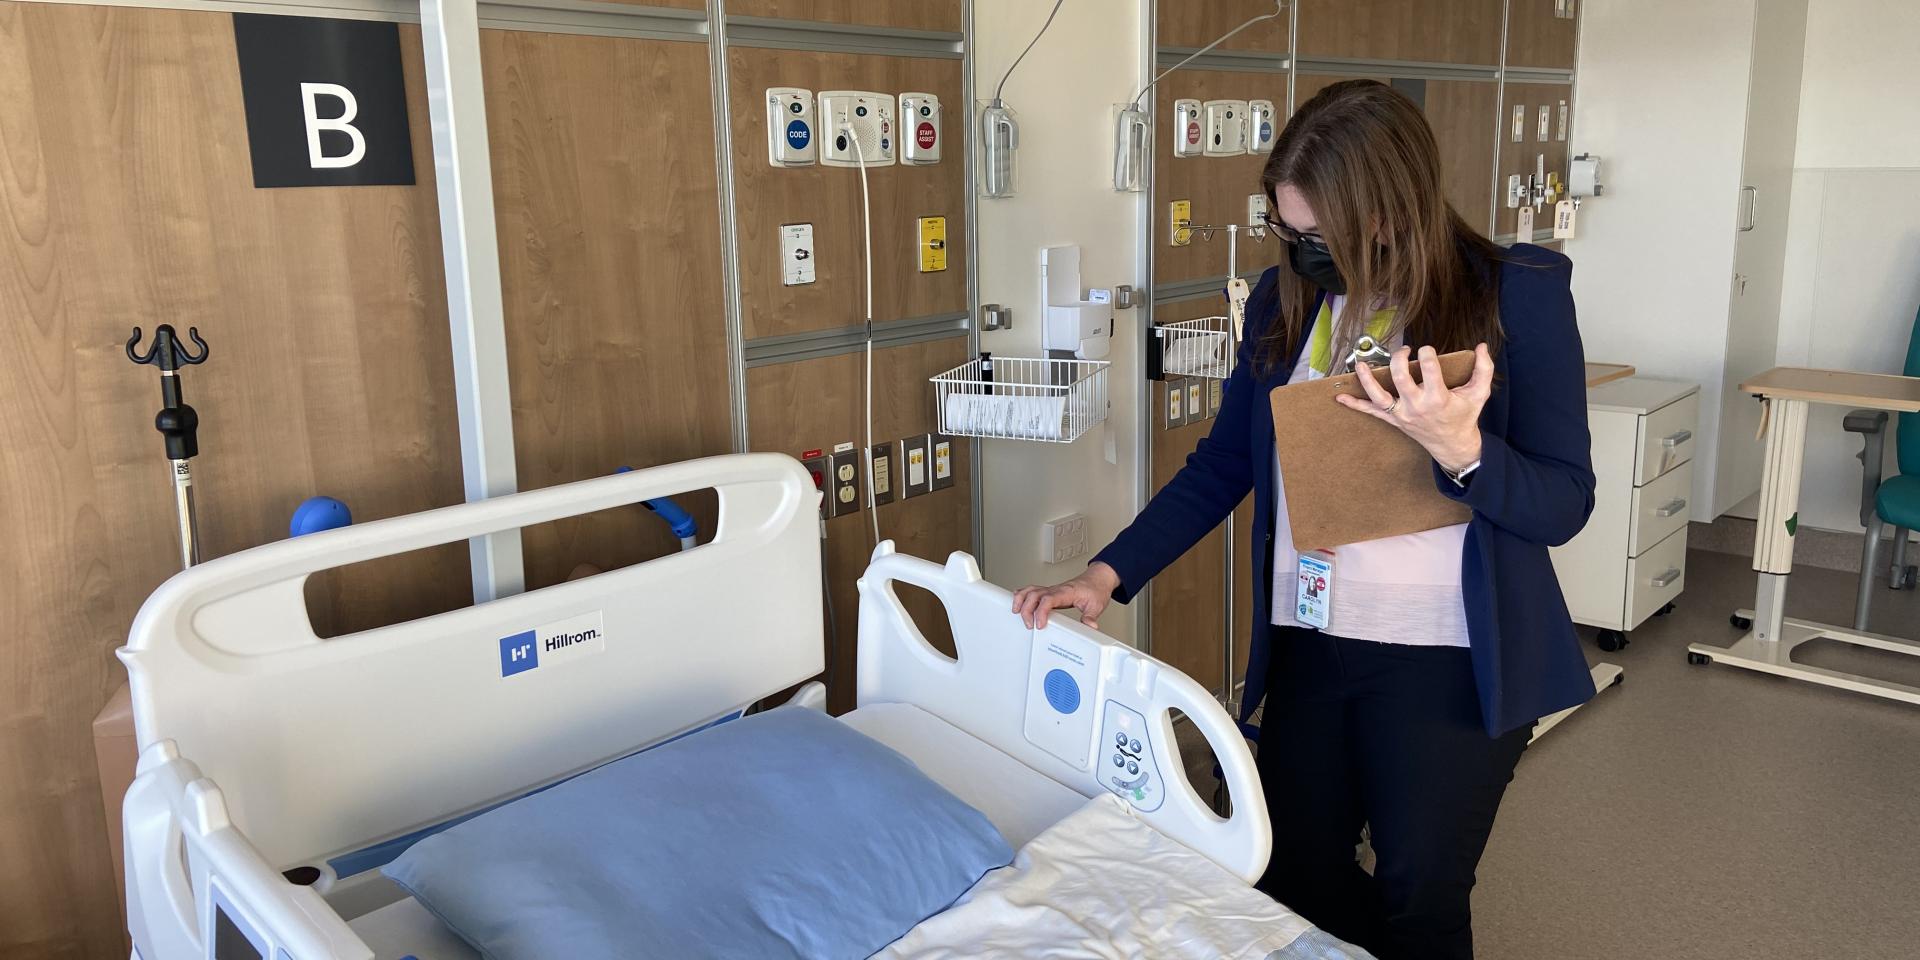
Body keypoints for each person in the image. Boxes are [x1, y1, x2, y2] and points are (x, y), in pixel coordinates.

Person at [1011, 79, 1597, 960]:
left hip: (1451, 660)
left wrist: (1462, 450)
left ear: (1391, 208)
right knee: (1290, 874)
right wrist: (1104, 575)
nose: (1304, 252)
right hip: (1314, 643)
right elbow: (1225, 464)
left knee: (1419, 896)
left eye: (1321, 236)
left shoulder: (1513, 297)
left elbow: (1564, 501)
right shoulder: (1283, 302)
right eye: (1289, 231)